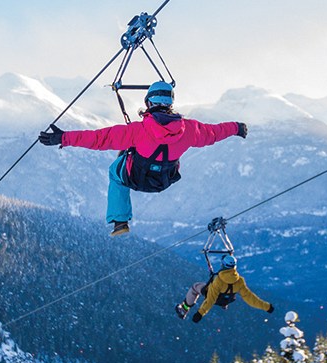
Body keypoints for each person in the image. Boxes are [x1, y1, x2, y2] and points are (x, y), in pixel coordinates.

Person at [38, 81, 248, 236]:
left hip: (135, 177)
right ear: (170, 103)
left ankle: (120, 221)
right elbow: (214, 132)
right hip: (162, 181)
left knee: (115, 172)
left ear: (149, 102)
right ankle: (120, 219)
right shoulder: (190, 130)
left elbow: (99, 139)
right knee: (131, 161)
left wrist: (63, 137)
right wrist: (236, 128)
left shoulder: (137, 131)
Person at [175, 254, 274, 322]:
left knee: (195, 287)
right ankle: (223, 304)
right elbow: (250, 298)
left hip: (216, 297)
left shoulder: (218, 281)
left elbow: (210, 299)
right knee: (224, 293)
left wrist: (200, 313)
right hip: (227, 300)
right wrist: (266, 306)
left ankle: (184, 309)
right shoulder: (239, 281)